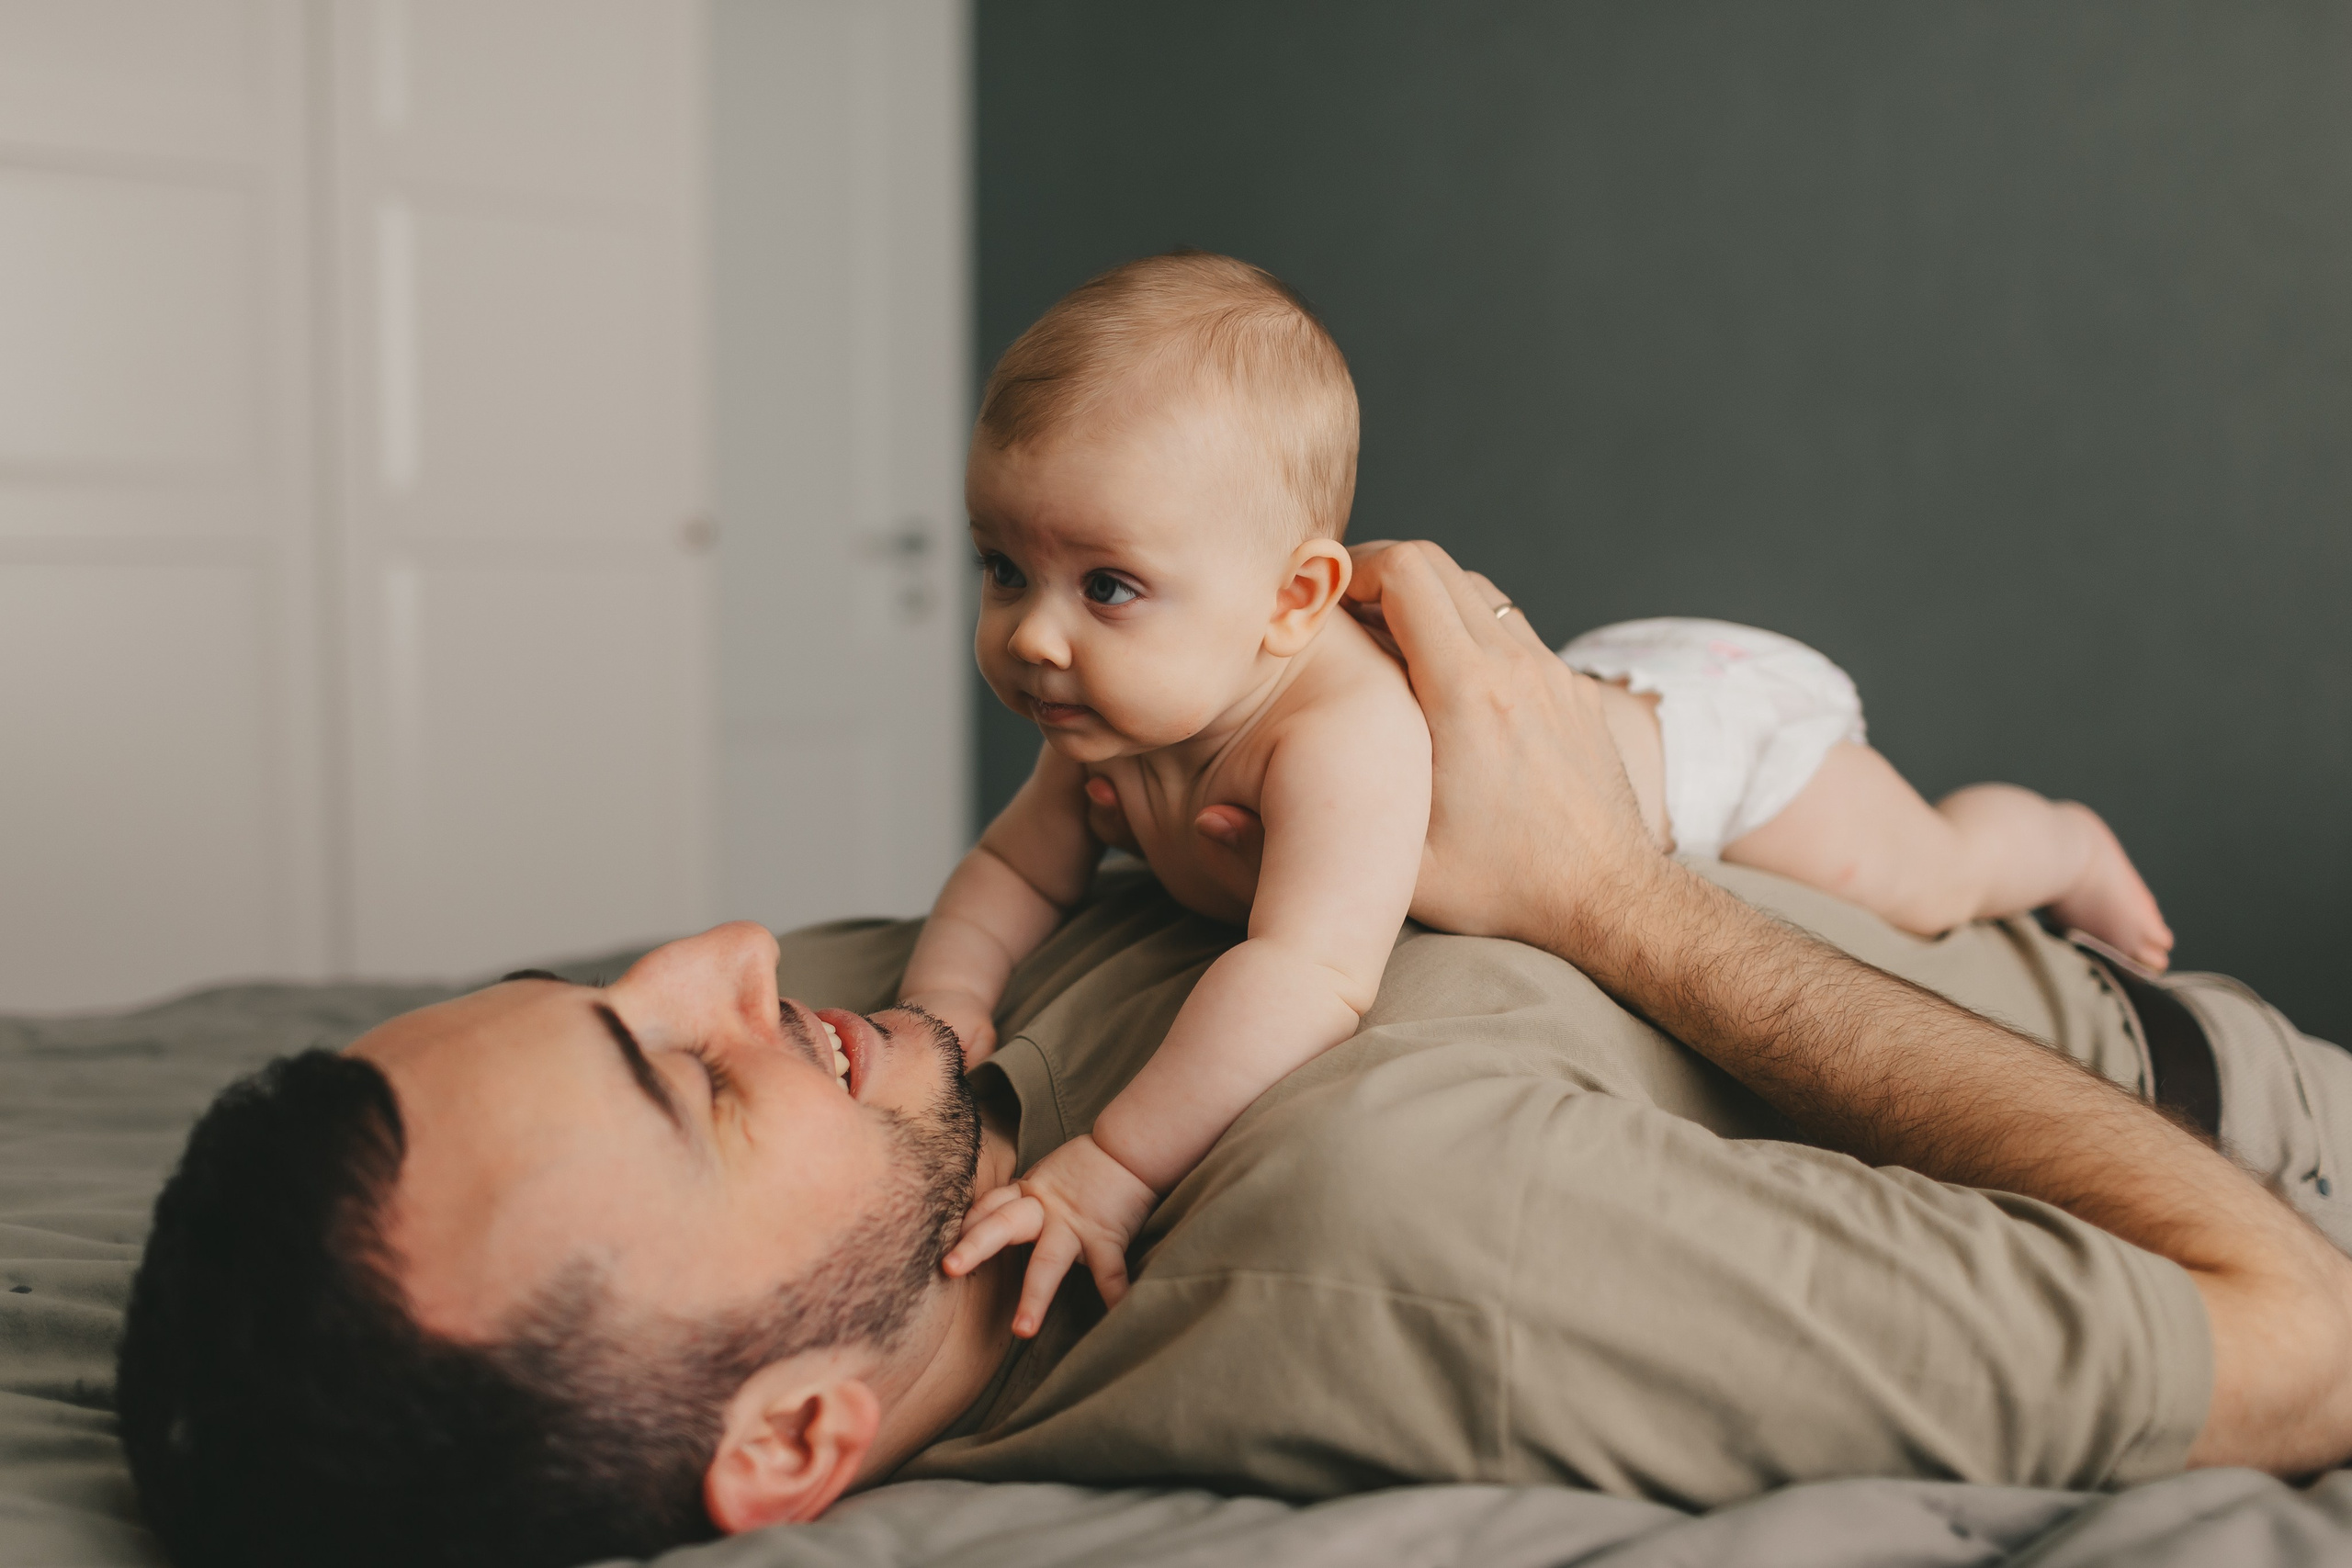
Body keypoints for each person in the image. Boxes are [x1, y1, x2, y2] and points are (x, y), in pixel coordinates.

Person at [116, 542, 2352, 1568]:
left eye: (622, 983)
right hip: (2241, 1131)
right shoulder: (1409, 1252)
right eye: (689, 1076)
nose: (725, 951)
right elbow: (2299, 1344)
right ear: (794, 1439)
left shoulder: (895, 1053)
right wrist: (1598, 888)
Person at [909, 251, 2174, 1334]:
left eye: (1108, 587)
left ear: (1294, 601)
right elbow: (1016, 874)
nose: (1035, 638)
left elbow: (1307, 974)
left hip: (1704, 750)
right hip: (1570, 692)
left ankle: (2056, 843)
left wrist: (1115, 1167)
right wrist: (946, 1011)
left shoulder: (1335, 739)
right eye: (1005, 569)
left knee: (1924, 880)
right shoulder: (1110, 723)